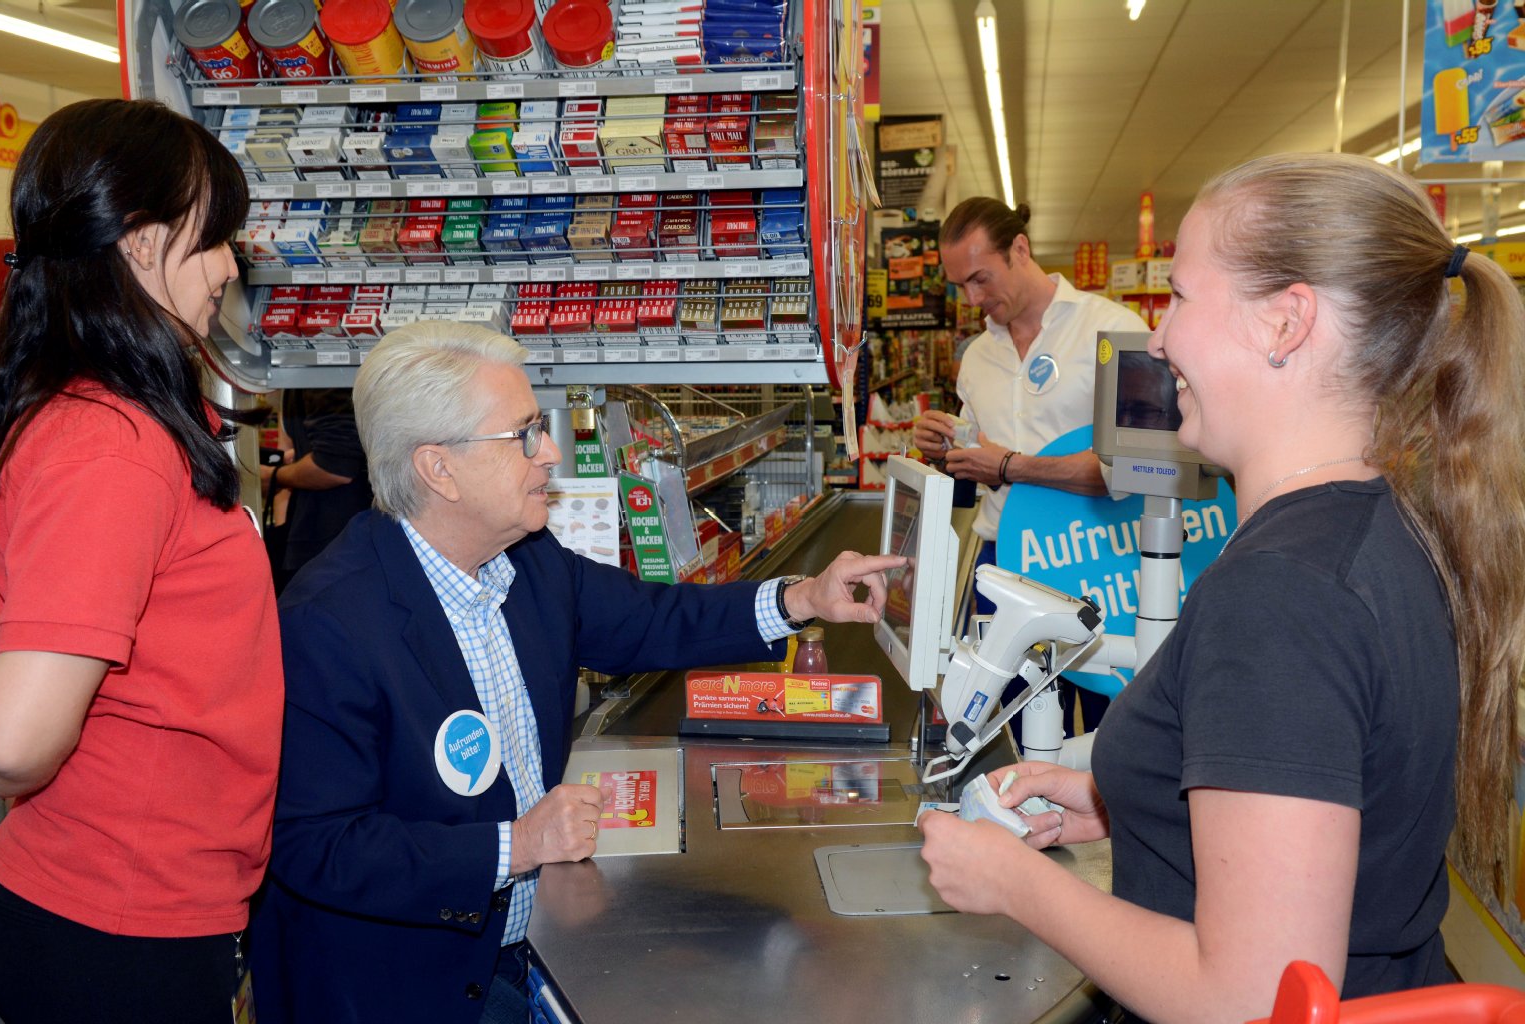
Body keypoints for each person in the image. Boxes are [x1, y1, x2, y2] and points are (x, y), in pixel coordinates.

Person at [920, 152, 1525, 1022]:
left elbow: (1247, 999)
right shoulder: (1374, 526)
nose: (1157, 339)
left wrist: (1015, 884)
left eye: (1181, 296)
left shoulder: (1280, 596)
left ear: (1285, 323)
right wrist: (1127, 802)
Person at [249, 321, 905, 1024]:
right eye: (524, 434)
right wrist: (517, 844)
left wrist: (803, 599)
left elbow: (650, 619)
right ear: (438, 468)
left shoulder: (525, 562)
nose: (551, 452)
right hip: (407, 987)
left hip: (529, 952)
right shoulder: (328, 623)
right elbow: (317, 846)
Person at [0, 99, 281, 1024]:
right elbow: (16, 741)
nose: (231, 265)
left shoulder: (127, 415)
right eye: (217, 237)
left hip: (142, 904)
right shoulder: (106, 445)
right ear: (146, 245)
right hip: (109, 922)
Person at [912, 198, 1149, 567]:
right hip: (1000, 558)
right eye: (961, 286)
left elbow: (1135, 470)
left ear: (1019, 249)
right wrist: (946, 450)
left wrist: (1009, 466)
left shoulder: (1115, 332)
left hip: (1095, 561)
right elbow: (979, 458)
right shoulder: (976, 357)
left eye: (980, 279)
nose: (973, 299)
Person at [262, 387, 373, 592]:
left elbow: (335, 466)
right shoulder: (294, 384)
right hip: (312, 537)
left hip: (339, 541)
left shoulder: (322, 377)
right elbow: (288, 449)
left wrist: (273, 476)